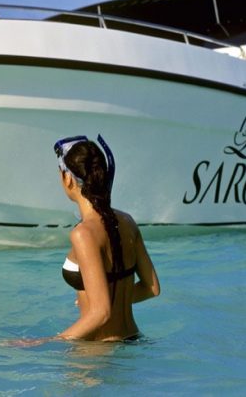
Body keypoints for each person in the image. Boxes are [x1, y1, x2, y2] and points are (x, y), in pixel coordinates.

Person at [53, 135, 160, 341]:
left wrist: (45, 342)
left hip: (99, 351)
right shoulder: (127, 221)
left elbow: (101, 313)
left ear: (67, 179)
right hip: (133, 339)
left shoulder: (83, 234)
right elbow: (152, 288)